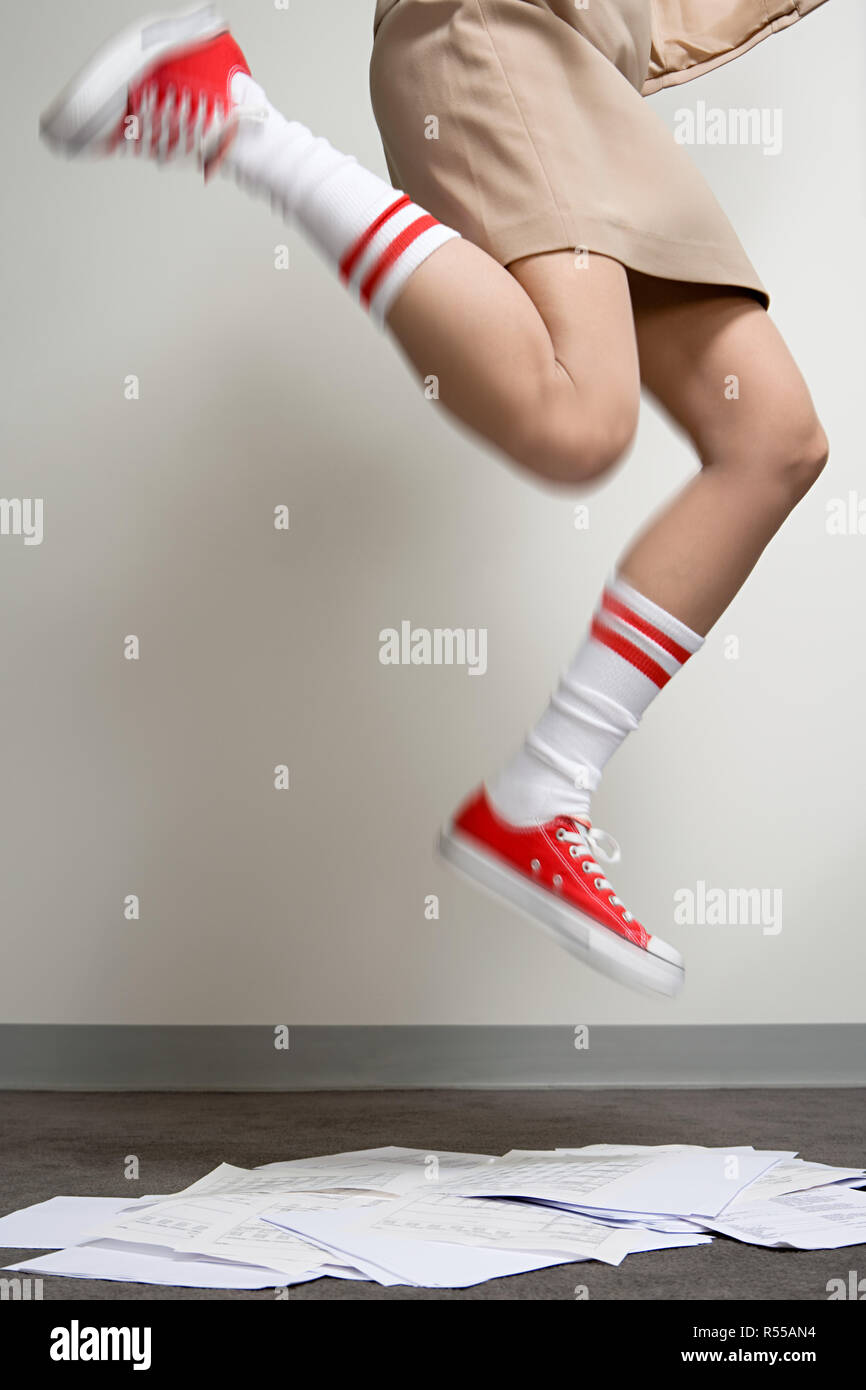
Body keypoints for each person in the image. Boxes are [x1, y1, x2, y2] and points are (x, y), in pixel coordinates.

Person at [40, 1, 831, 997]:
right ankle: (234, 119)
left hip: (595, 72)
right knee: (577, 420)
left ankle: (541, 791)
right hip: (500, 29)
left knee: (772, 440)